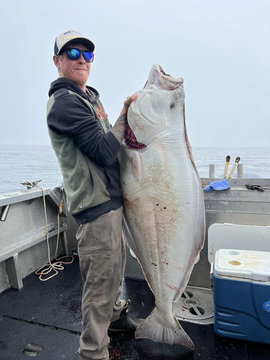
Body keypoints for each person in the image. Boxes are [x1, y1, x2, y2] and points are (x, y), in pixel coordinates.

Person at [46, 30, 139, 360]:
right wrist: (126, 114)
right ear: (58, 61)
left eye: (88, 55)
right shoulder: (65, 103)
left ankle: (115, 318)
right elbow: (103, 151)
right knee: (99, 284)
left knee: (115, 269)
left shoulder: (89, 99)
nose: (82, 60)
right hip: (94, 208)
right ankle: (92, 352)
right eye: (73, 53)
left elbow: (112, 149)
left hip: (110, 202)